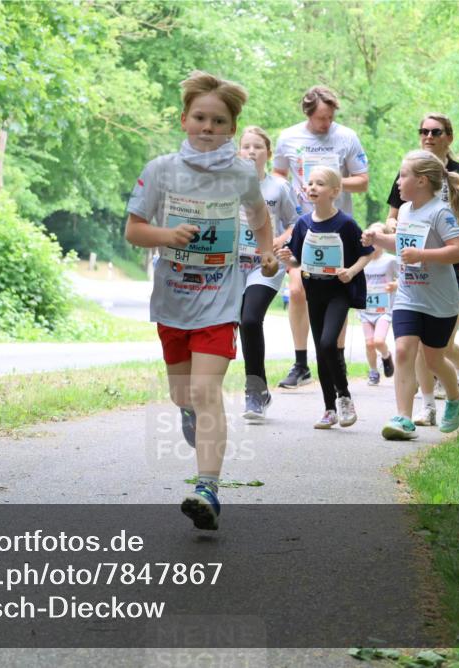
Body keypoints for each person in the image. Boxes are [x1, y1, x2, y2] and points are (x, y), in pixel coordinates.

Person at [124, 71, 278, 531]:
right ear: (184, 119)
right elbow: (133, 230)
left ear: (233, 128)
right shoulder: (161, 170)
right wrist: (168, 235)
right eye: (200, 118)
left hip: (219, 299)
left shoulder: (240, 173)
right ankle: (190, 411)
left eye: (218, 121)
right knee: (183, 394)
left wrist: (267, 256)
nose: (208, 128)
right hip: (173, 298)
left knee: (207, 391)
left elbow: (260, 218)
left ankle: (208, 488)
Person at [365, 150, 459, 440]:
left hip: (440, 300)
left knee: (435, 360)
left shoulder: (440, 212)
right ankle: (403, 418)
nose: (398, 182)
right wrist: (377, 239)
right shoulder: (407, 211)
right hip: (410, 295)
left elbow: (458, 251)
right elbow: (401, 245)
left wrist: (422, 254)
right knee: (402, 350)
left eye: (403, 176)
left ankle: (454, 396)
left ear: (421, 181)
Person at [385, 113, 459, 427]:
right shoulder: (409, 186)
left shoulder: (456, 183)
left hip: (447, 279)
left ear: (448, 136)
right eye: (423, 130)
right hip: (410, 287)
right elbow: (396, 224)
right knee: (404, 349)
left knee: (434, 353)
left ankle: (458, 389)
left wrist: (426, 252)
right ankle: (411, 412)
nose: (428, 135)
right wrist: (382, 235)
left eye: (435, 131)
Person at [273, 85, 369, 389]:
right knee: (298, 291)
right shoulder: (289, 137)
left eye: (329, 117)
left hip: (337, 228)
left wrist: (330, 184)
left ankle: (335, 359)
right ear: (307, 114)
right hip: (301, 226)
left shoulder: (347, 137)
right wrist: (290, 192)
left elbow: (363, 182)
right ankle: (301, 363)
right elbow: (278, 176)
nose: (325, 123)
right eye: (320, 119)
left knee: (334, 293)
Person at [277, 167, 373, 428]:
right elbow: (299, 259)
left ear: (335, 192)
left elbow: (367, 252)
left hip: (338, 291)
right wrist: (290, 259)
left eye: (320, 184)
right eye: (309, 183)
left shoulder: (345, 224)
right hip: (314, 291)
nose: (312, 187)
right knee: (320, 349)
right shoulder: (303, 223)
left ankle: (344, 397)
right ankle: (329, 408)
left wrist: (350, 271)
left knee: (330, 343)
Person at [237, 126, 301, 421]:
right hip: (230, 265)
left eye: (257, 147)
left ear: (268, 154)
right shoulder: (227, 185)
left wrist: (281, 240)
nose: (251, 152)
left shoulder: (278, 187)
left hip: (266, 264)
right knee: (233, 324)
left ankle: (255, 392)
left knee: (250, 319)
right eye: (246, 146)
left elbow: (295, 223)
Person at [359, 244, 397, 385]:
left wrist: (395, 285)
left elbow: (404, 277)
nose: (374, 244)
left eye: (377, 240)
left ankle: (386, 356)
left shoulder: (390, 260)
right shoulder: (362, 260)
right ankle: (373, 372)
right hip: (366, 309)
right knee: (369, 343)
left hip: (384, 309)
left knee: (378, 341)